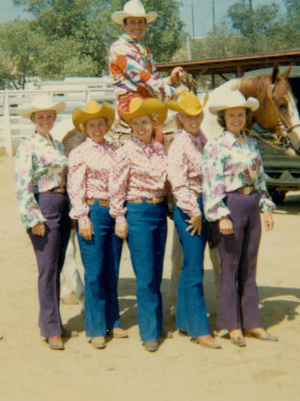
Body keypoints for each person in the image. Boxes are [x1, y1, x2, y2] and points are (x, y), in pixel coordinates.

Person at [202, 90, 277, 348]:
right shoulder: (215, 145)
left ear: (247, 116)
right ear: (223, 118)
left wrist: (266, 206)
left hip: (251, 205)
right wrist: (220, 214)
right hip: (230, 206)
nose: (236, 118)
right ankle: (232, 325)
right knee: (229, 266)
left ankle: (253, 323)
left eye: (240, 114)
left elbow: (260, 178)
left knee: (250, 266)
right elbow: (212, 183)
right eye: (231, 115)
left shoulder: (252, 144)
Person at [109, 97, 169, 353]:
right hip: (137, 211)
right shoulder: (124, 152)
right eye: (136, 124)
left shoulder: (160, 150)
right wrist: (120, 217)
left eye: (145, 122)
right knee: (144, 274)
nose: (141, 127)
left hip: (159, 209)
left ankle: (156, 322)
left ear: (153, 123)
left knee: (157, 271)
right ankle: (149, 332)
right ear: (131, 126)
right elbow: (116, 187)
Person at [14, 96, 73, 351]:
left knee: (57, 267)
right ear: (33, 120)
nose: (46, 121)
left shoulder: (58, 145)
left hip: (62, 203)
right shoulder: (28, 146)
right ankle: (51, 329)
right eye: (41, 117)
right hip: (44, 205)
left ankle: (51, 321)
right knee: (47, 269)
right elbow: (22, 185)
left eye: (49, 116)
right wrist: (33, 218)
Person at [67, 100, 127, 349]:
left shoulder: (115, 151)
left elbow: (120, 184)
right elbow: (75, 186)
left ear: (107, 125)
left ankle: (112, 320)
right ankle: (94, 327)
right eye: (91, 125)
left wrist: (120, 214)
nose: (96, 129)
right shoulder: (79, 153)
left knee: (111, 269)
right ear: (85, 127)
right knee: (94, 271)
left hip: (112, 212)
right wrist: (82, 216)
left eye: (100, 124)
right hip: (91, 211)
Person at [166, 92, 221, 349]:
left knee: (190, 266)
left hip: (202, 203)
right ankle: (200, 328)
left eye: (197, 114)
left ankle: (185, 321)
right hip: (190, 207)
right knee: (195, 268)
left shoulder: (200, 139)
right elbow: (177, 182)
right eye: (188, 115)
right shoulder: (179, 144)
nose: (194, 119)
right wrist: (194, 212)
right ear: (180, 117)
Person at [109, 0, 189, 129]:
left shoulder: (144, 50)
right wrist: (173, 91)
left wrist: (171, 80)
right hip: (131, 101)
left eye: (140, 22)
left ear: (145, 25)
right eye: (132, 22)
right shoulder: (120, 47)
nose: (137, 26)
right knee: (153, 131)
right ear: (124, 25)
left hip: (147, 100)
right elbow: (140, 76)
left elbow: (152, 79)